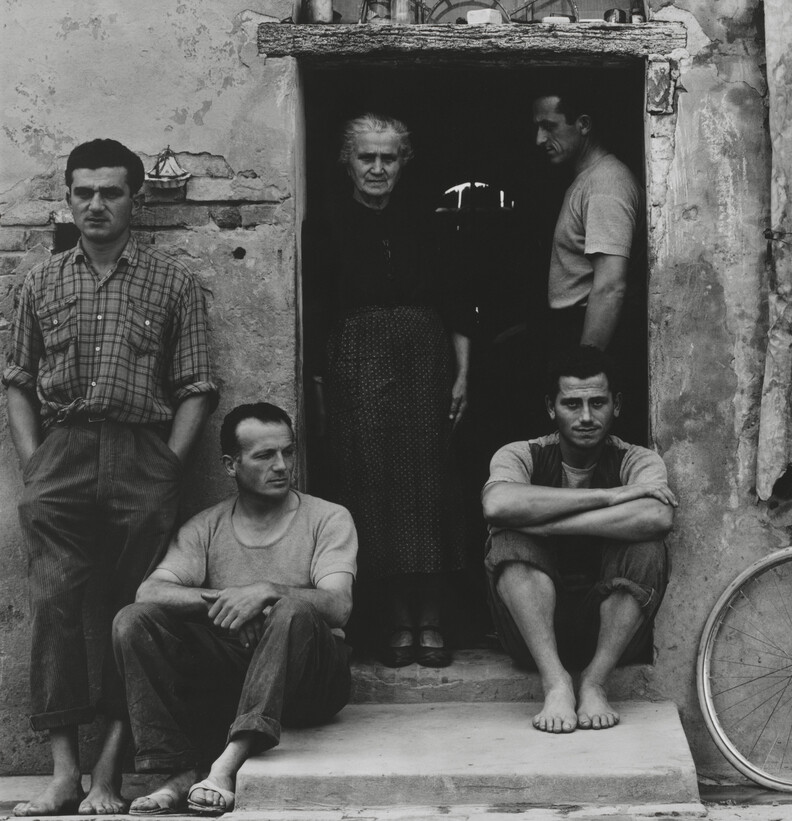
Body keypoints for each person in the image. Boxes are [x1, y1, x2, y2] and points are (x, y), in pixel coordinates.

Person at [2, 138, 218, 816]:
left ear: (137, 199)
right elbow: (17, 380)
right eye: (84, 192)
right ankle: (64, 772)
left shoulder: (172, 280)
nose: (96, 204)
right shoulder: (39, 281)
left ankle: (108, 773)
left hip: (140, 456)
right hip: (61, 456)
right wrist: (35, 465)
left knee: (135, 615)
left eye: (112, 192)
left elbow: (197, 385)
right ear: (67, 197)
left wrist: (166, 465)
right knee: (57, 606)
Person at [113, 403, 357, 815]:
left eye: (288, 451)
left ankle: (227, 763)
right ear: (231, 464)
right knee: (132, 621)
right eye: (264, 455)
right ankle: (176, 770)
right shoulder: (206, 526)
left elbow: (338, 606)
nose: (281, 465)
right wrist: (232, 602)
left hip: (313, 682)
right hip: (235, 676)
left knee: (293, 609)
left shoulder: (328, 518)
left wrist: (265, 592)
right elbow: (150, 592)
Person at [315, 113, 472, 668]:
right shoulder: (325, 221)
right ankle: (392, 621)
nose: (377, 168)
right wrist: (321, 389)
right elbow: (315, 312)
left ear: (404, 162)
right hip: (357, 364)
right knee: (372, 489)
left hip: (424, 362)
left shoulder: (430, 221)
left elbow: (456, 301)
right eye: (366, 157)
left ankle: (431, 618)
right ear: (347, 161)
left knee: (429, 491)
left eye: (388, 157)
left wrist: (462, 374)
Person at [481, 345, 676, 733]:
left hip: (613, 634)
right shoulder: (522, 454)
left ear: (616, 405)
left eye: (597, 403)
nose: (586, 417)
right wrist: (608, 497)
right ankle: (555, 682)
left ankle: (594, 682)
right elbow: (499, 504)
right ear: (552, 408)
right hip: (530, 633)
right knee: (509, 541)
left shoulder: (637, 460)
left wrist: (550, 523)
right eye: (572, 404)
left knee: (647, 547)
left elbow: (656, 515)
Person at [533, 89, 641, 353]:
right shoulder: (589, 179)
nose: (539, 139)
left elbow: (610, 287)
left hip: (587, 331)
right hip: (572, 327)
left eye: (549, 127)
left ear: (583, 124)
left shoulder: (605, 184)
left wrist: (588, 364)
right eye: (538, 128)